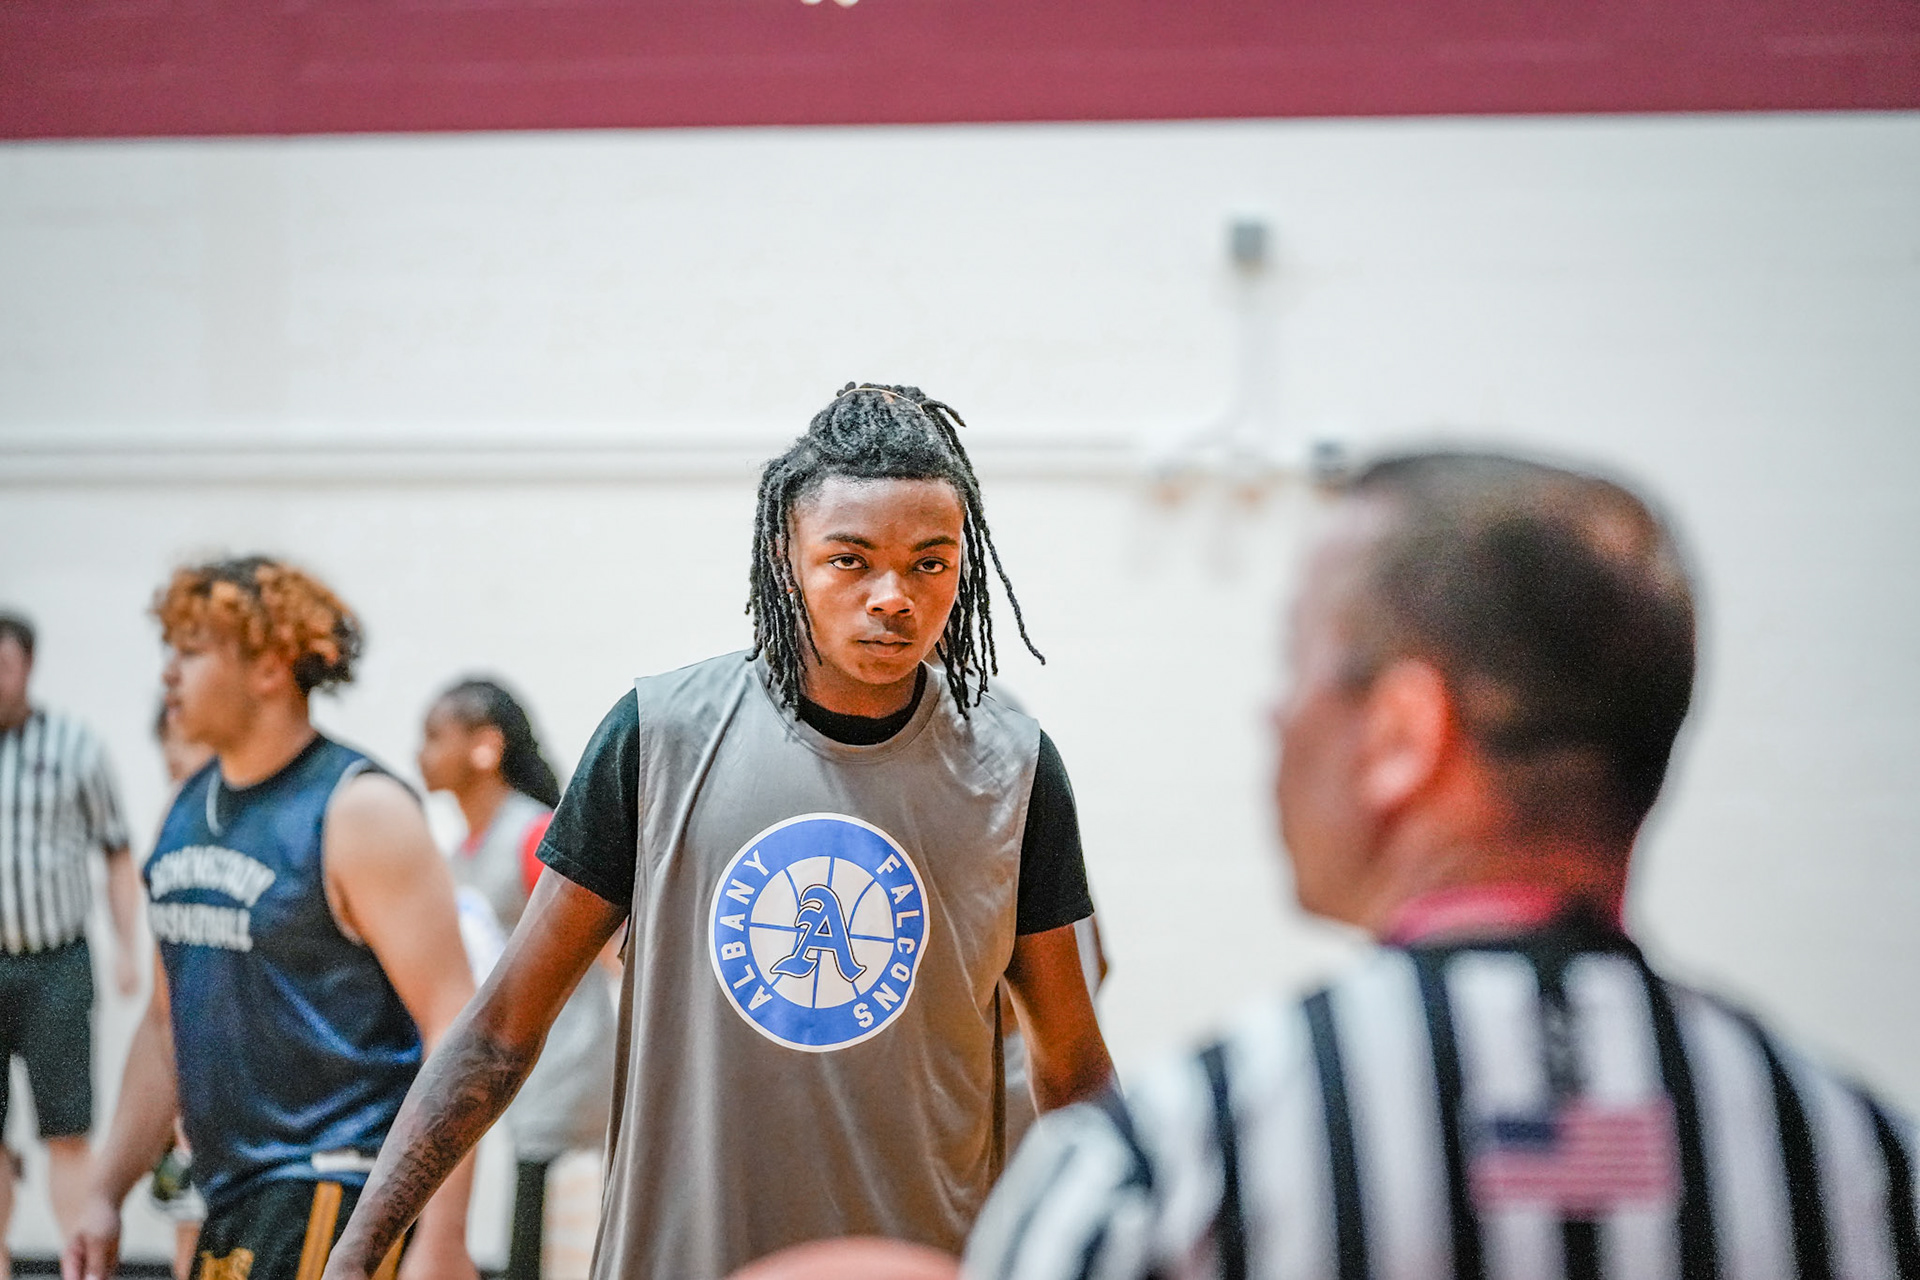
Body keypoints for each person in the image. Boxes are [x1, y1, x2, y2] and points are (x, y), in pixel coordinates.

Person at [966, 451, 1920, 1280]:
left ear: (1403, 734)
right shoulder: (1860, 1166)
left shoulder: (1161, 1173)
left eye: (1297, 665)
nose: (1278, 716)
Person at [321, 382, 1116, 1280]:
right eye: (849, 560)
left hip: (920, 1258)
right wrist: (358, 1251)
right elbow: (500, 1027)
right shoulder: (659, 736)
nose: (893, 597)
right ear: (787, 556)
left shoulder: (1013, 767)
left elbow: (1073, 1068)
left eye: (930, 563)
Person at [64, 557, 480, 1280]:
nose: (168, 673)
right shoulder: (186, 808)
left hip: (340, 1188)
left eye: (193, 651)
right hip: (231, 1192)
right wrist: (104, 1190)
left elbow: (459, 1027)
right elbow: (165, 1026)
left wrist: (443, 1237)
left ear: (269, 667)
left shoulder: (361, 809)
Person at [416, 677, 617, 1280]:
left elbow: (615, 951)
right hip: (504, 1067)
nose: (420, 753)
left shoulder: (533, 835)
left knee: (541, 1247)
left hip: (563, 1070)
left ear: (485, 746)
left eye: (435, 736)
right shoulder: (460, 852)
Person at [0, 610, 141, 1280]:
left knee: (66, 1129)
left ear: (28, 667)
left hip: (57, 962)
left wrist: (127, 946)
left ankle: (77, 1268)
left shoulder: (77, 748)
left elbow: (117, 852)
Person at [145, 701, 216, 1280]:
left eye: (188, 741)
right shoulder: (175, 824)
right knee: (189, 1227)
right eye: (170, 743)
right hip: (195, 1071)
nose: (176, 754)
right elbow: (162, 995)